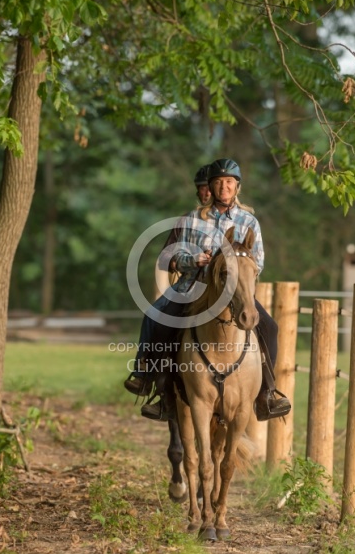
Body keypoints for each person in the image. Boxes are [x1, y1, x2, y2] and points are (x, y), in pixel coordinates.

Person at [124, 158, 290, 421]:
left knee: (270, 327)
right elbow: (170, 259)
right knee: (158, 319)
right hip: (194, 287)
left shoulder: (250, 222)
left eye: (228, 182)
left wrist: (232, 264)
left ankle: (267, 393)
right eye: (218, 183)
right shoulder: (192, 219)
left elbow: (258, 262)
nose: (223, 187)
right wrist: (194, 260)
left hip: (236, 290)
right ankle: (156, 386)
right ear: (210, 188)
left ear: (237, 187)